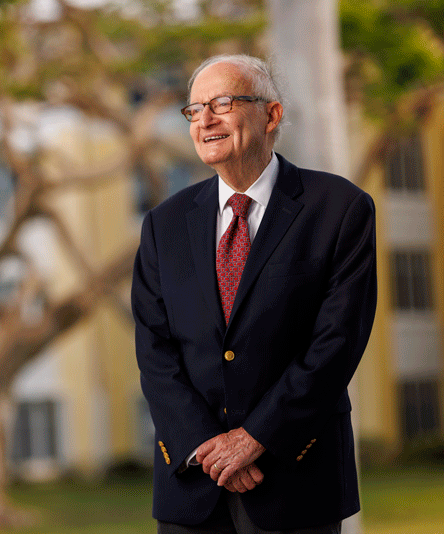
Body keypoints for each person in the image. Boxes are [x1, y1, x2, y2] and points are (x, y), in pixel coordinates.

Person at [132, 54, 377, 534]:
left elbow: (336, 343)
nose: (205, 119)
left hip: (297, 479)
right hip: (192, 486)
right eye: (194, 109)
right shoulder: (164, 224)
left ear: (272, 114)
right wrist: (208, 446)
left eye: (222, 102)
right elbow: (154, 351)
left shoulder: (340, 208)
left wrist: (255, 438)